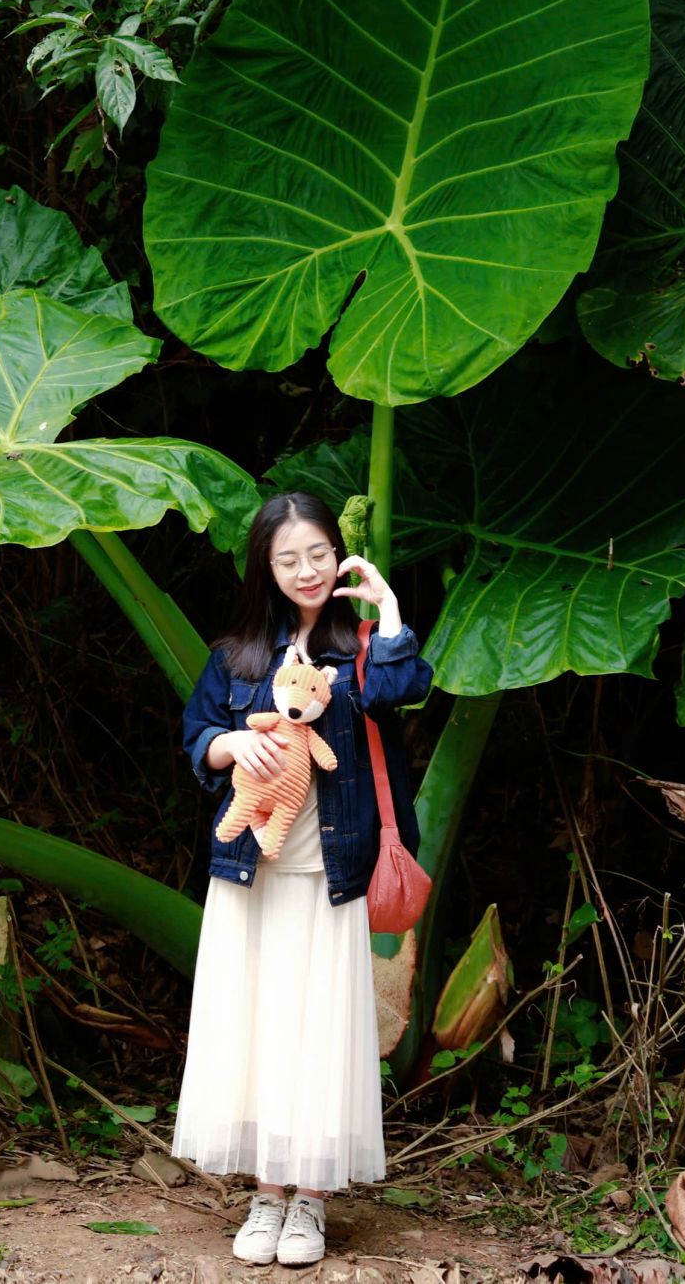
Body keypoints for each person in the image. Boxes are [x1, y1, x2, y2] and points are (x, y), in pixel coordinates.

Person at [172, 491, 432, 1266]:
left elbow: (402, 687)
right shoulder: (239, 656)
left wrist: (386, 610)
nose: (306, 569)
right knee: (254, 1027)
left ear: (337, 553)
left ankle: (309, 1203)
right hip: (252, 869)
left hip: (332, 873)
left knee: (318, 1031)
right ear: (268, 567)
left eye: (318, 553)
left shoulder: (359, 648)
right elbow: (198, 734)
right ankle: (264, 1196)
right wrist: (227, 749)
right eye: (288, 559)